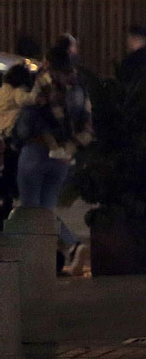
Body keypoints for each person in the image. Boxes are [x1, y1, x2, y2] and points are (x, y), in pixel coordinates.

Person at [15, 39, 93, 275]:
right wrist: (70, 147)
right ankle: (67, 249)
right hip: (62, 157)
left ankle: (57, 252)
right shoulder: (79, 87)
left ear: (50, 63)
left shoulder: (44, 82)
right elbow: (87, 125)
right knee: (46, 209)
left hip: (37, 151)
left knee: (30, 210)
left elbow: (31, 117)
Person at [0, 61, 37, 216]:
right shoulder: (17, 92)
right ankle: (8, 196)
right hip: (11, 134)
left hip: (2, 133)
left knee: (7, 168)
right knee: (12, 168)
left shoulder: (3, 90)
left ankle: (6, 199)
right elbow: (28, 100)